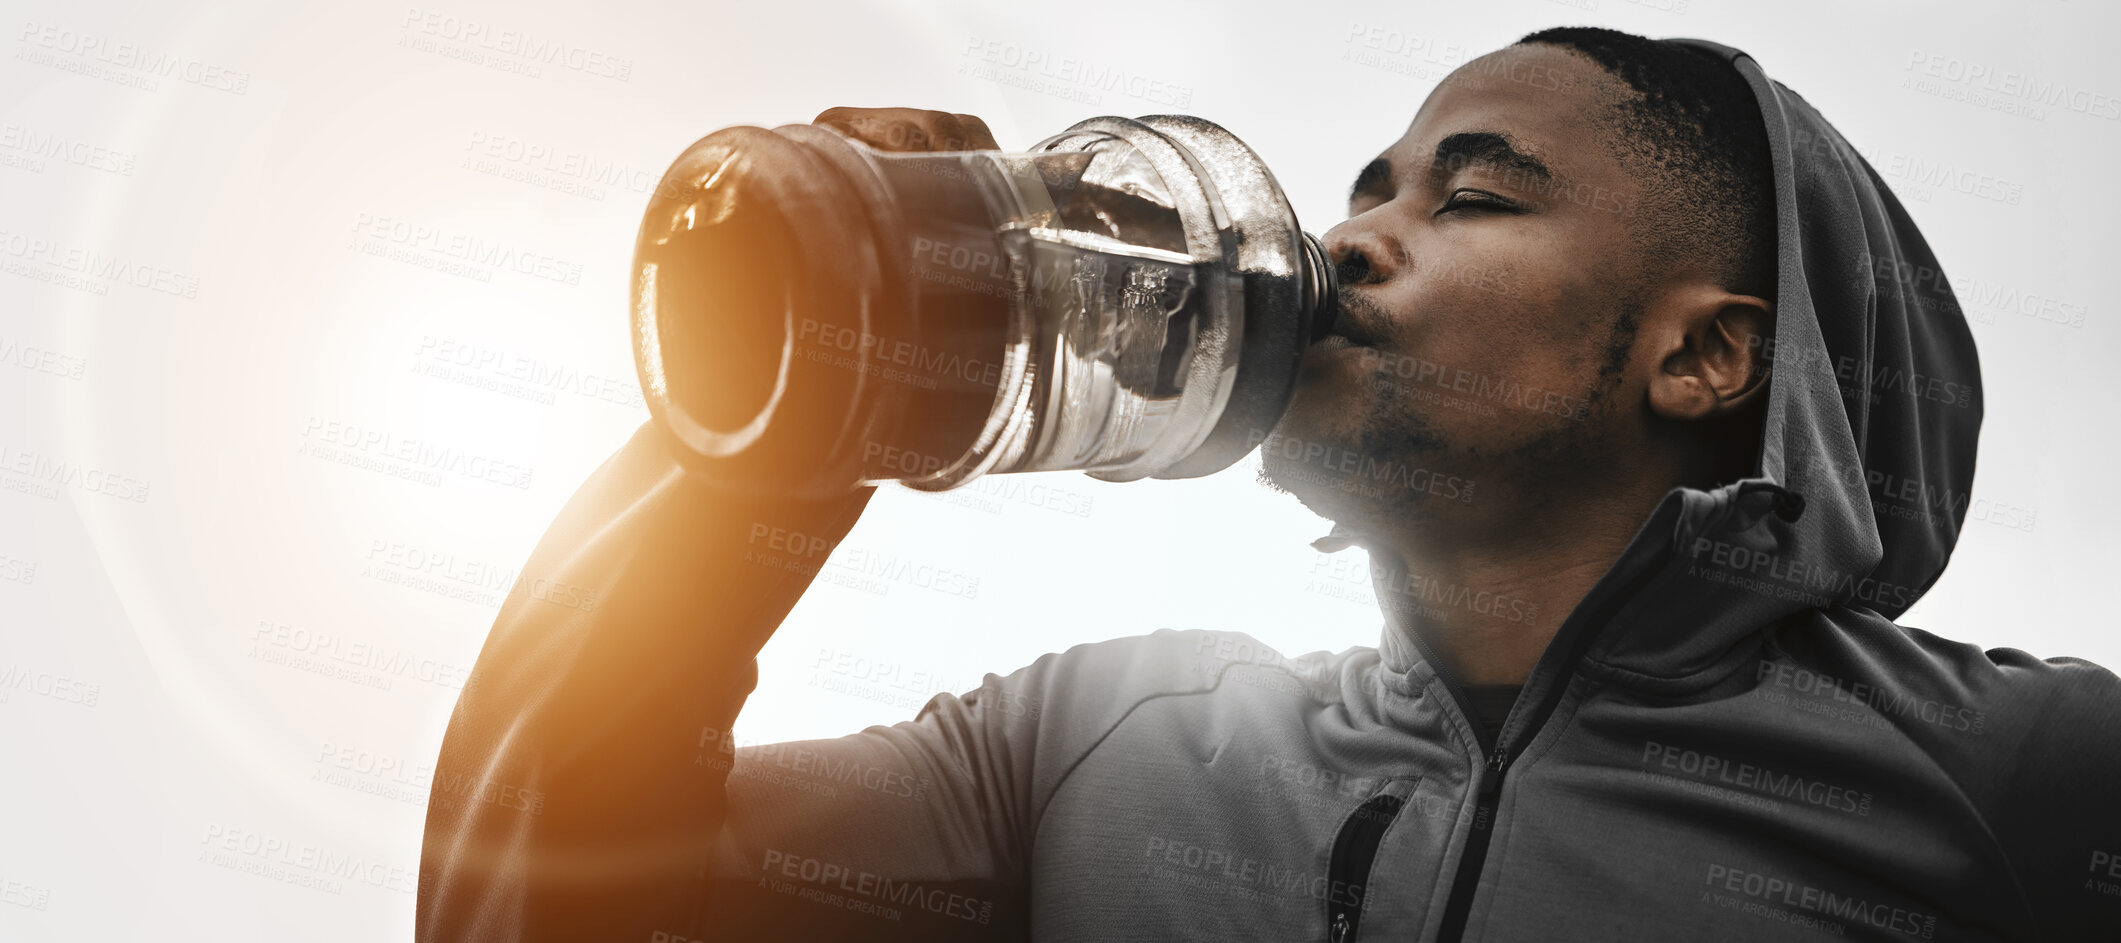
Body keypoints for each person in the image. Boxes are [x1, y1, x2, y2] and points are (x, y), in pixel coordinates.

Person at [414, 27, 2121, 941]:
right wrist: (762, 447)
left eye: (1472, 197)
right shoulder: (1089, 746)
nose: (1342, 241)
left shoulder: (2018, 778)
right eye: (1360, 186)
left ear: (1700, 360)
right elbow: (534, 907)